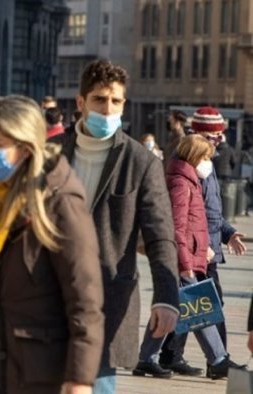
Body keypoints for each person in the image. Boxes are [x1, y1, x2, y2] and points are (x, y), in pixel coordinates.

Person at [0, 95, 104, 393]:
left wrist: (79, 379)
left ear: (24, 149)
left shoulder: (59, 201)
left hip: (40, 373)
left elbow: (85, 298)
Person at [60, 60, 180, 393]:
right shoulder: (50, 155)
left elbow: (160, 235)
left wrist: (166, 298)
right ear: (81, 102)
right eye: (99, 100)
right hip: (48, 298)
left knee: (98, 386)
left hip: (107, 301)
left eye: (116, 101)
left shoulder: (140, 161)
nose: (108, 108)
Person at [134, 134, 243, 379]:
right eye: (205, 157)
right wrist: (185, 265)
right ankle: (218, 359)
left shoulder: (188, 179)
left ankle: (146, 358)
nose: (208, 162)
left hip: (189, 256)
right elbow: (177, 229)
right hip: (181, 259)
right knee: (200, 308)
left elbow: (197, 223)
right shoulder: (182, 183)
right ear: (194, 157)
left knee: (169, 305)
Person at [158, 106, 248, 377]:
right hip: (197, 250)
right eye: (214, 136)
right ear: (200, 137)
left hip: (204, 248)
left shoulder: (204, 166)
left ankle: (168, 355)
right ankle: (217, 361)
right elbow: (183, 220)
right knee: (209, 304)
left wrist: (228, 232)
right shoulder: (190, 171)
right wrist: (200, 248)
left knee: (189, 304)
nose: (219, 142)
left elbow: (213, 213)